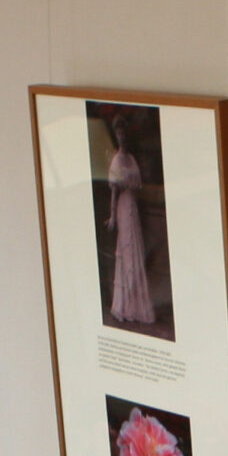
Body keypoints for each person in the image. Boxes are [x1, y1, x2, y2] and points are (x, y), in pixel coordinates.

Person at [104, 119, 155, 327]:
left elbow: (138, 185)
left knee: (135, 250)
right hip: (123, 207)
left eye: (123, 133)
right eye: (118, 133)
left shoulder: (131, 159)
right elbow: (114, 193)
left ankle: (137, 305)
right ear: (116, 135)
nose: (122, 137)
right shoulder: (116, 160)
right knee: (126, 251)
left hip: (133, 206)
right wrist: (113, 216)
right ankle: (124, 305)